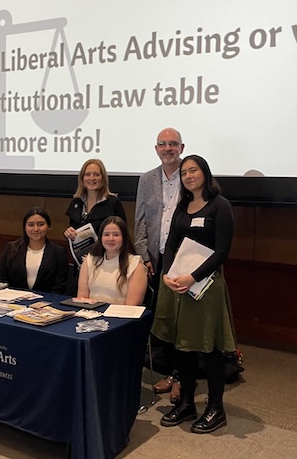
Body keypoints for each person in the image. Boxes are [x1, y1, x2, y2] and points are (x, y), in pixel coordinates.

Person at [152, 155, 236, 434]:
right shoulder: (182, 206)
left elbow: (222, 252)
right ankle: (187, 403)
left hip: (206, 287)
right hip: (178, 286)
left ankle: (216, 408)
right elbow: (170, 244)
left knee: (209, 348)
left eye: (193, 170)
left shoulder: (220, 206)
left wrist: (193, 277)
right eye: (184, 172)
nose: (188, 176)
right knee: (183, 347)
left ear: (205, 173)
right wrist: (167, 274)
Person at [134, 127, 185, 402]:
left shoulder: (191, 176)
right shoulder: (147, 179)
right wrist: (143, 255)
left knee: (181, 320)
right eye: (163, 144)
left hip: (183, 258)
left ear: (181, 148)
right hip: (155, 258)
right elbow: (140, 220)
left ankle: (181, 376)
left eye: (173, 144)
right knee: (161, 318)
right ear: (156, 149)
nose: (168, 148)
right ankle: (170, 372)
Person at [77, 216, 147, 305]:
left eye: (116, 234)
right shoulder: (90, 260)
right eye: (106, 234)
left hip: (120, 313)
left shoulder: (136, 265)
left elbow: (131, 306)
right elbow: (82, 298)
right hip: (90, 312)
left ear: (124, 238)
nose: (111, 239)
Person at [0, 207, 68, 294]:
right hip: (13, 299)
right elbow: (1, 280)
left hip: (47, 300)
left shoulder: (59, 252)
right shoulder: (11, 248)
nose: (36, 229)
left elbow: (60, 286)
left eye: (41, 224)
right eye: (31, 225)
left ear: (48, 226)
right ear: (24, 227)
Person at [64, 158, 126, 242]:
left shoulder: (113, 203)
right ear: (82, 178)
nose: (92, 178)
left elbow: (122, 234)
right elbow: (74, 233)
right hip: (81, 250)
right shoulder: (76, 202)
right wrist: (70, 234)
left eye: (96, 174)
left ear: (103, 178)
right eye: (87, 174)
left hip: (106, 249)